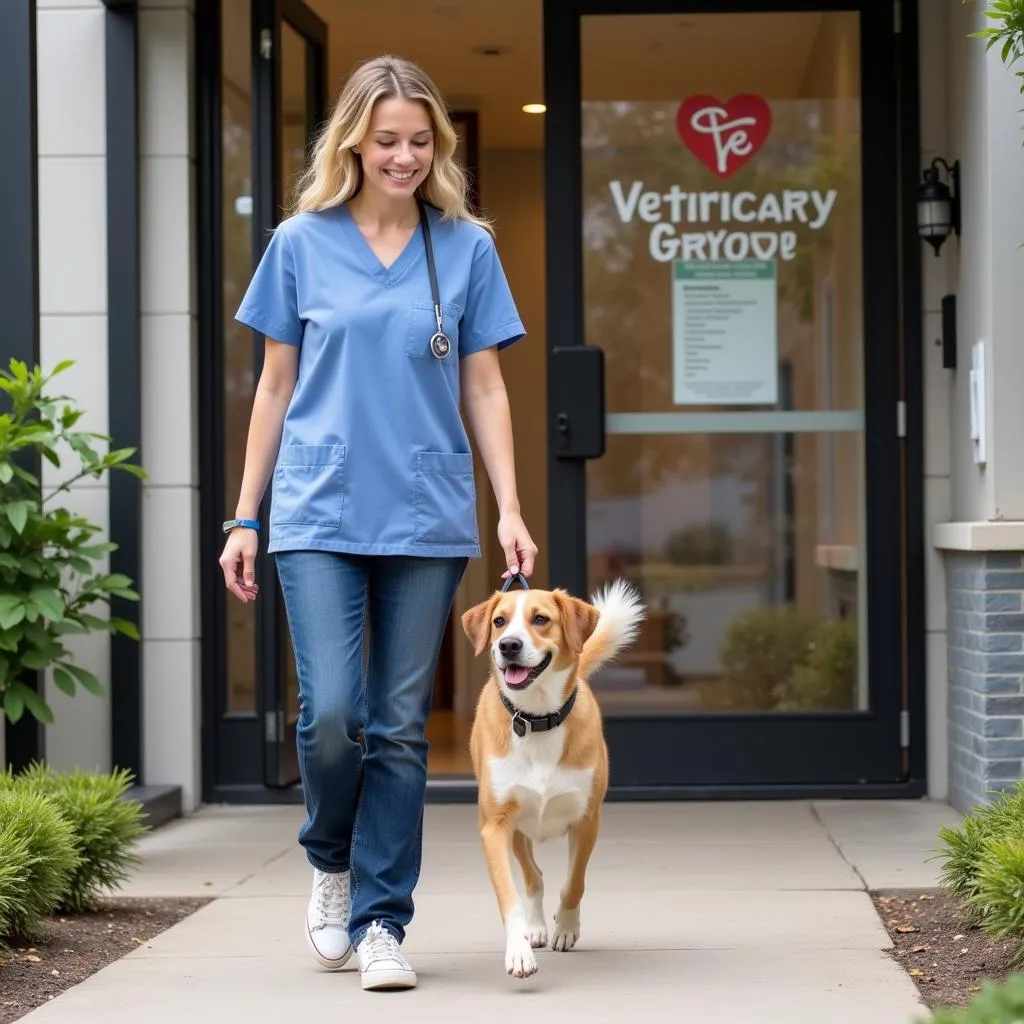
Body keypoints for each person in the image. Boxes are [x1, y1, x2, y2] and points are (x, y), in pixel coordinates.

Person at [218, 54, 537, 992]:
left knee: (398, 726)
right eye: (387, 139)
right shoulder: (300, 242)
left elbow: (484, 382)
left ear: (438, 144)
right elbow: (274, 386)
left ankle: (383, 922)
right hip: (316, 506)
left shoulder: (465, 247)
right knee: (332, 719)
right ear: (353, 139)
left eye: (420, 140)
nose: (404, 156)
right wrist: (245, 515)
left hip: (426, 512)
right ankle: (330, 859)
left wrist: (509, 504)